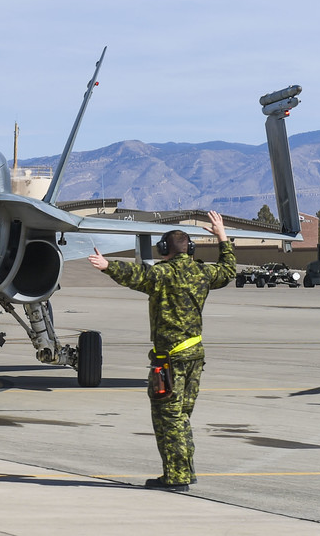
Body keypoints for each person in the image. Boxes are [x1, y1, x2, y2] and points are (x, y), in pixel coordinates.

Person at [87, 210, 236, 492]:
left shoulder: (162, 274)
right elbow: (228, 271)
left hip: (172, 358)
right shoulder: (202, 273)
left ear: (164, 250)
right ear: (190, 250)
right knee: (181, 416)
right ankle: (185, 470)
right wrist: (222, 237)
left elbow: (137, 274)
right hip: (194, 354)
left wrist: (108, 266)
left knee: (168, 416)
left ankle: (177, 477)